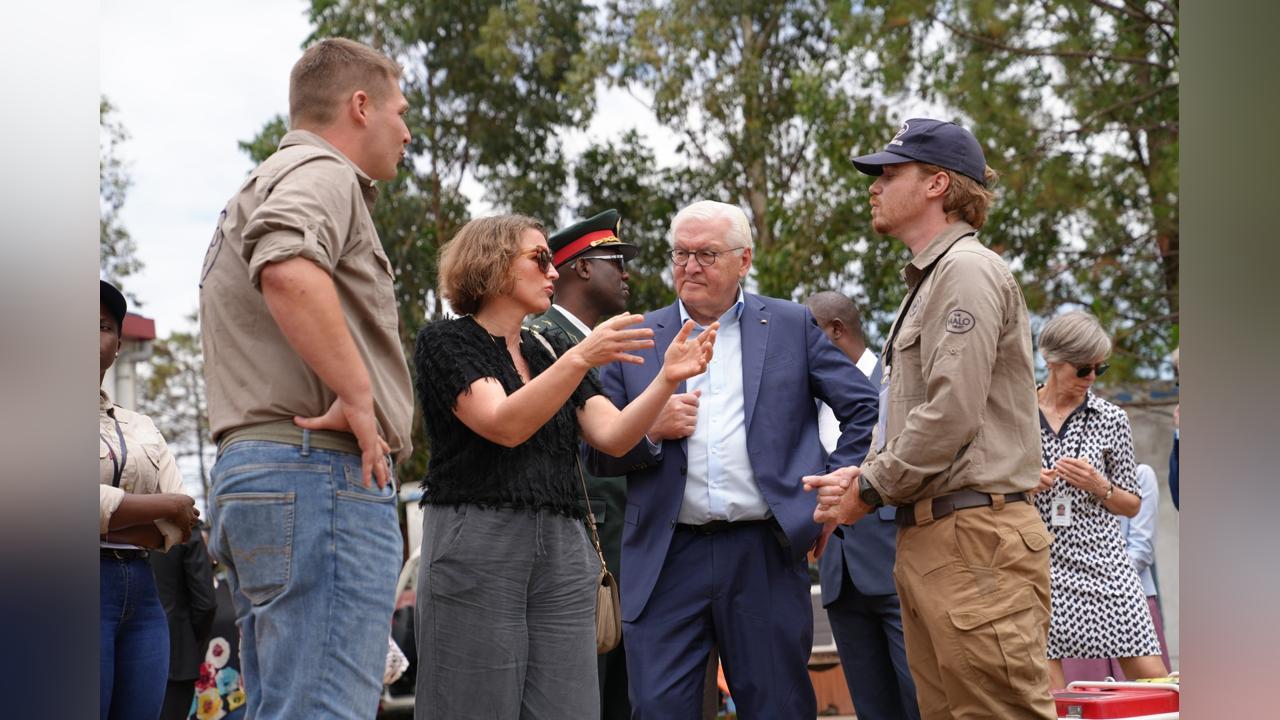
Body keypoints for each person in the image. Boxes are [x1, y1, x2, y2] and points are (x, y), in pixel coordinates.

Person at [412, 214, 716, 719]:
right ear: (491, 264)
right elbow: (505, 424)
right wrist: (581, 359)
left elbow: (615, 437)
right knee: (470, 706)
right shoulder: (448, 343)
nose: (553, 271)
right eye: (539, 259)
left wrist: (666, 379)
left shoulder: (546, 347)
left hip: (564, 547)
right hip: (478, 542)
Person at [804, 118, 1056, 718]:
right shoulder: (933, 278)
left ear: (938, 183)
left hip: (973, 539)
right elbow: (917, 415)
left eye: (890, 174)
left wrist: (867, 485)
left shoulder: (965, 271)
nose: (875, 186)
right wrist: (863, 474)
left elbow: (951, 413)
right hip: (936, 536)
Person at [589, 200, 879, 718]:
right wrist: (649, 430)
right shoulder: (636, 336)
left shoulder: (791, 325)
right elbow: (596, 452)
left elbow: (865, 407)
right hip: (664, 555)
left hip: (763, 551)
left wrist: (840, 485)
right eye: (681, 254)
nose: (690, 266)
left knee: (778, 707)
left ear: (743, 261)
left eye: (706, 254)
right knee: (657, 709)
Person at [198, 38, 414, 719]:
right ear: (360, 106)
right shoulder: (323, 174)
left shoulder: (262, 184)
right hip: (317, 476)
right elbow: (288, 267)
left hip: (272, 473)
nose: (407, 131)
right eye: (400, 111)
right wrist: (358, 396)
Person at [526, 208, 637, 720]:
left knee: (619, 697)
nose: (627, 273)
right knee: (581, 695)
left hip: (620, 544)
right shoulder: (543, 339)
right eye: (616, 260)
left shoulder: (601, 341)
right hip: (580, 546)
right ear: (583, 268)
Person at [1030, 310, 1167, 688]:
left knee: (1153, 677)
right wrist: (1023, 485)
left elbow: (1132, 505)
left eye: (1099, 370)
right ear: (1052, 361)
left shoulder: (1112, 419)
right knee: (1048, 689)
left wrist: (1099, 486)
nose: (1091, 379)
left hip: (1103, 558)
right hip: (1037, 559)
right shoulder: (1015, 415)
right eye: (1083, 369)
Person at [805, 291, 919, 720]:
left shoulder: (900, 383)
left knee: (919, 700)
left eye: (808, 332)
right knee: (872, 707)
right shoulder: (811, 400)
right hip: (838, 576)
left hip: (898, 565)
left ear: (835, 330)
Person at [99, 279, 201, 720]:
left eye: (102, 326)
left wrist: (110, 518)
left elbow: (184, 516)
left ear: (119, 344)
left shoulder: (141, 426)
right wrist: (159, 509)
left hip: (142, 594)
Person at [1061, 463, 1172, 682]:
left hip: (1131, 598)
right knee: (1086, 698)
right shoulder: (1067, 476)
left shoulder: (1140, 474)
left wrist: (1095, 578)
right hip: (1078, 602)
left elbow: (1141, 549)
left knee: (1146, 701)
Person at [150, 523, 217, 720]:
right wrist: (190, 640)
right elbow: (205, 603)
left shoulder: (109, 518)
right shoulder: (180, 521)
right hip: (176, 652)